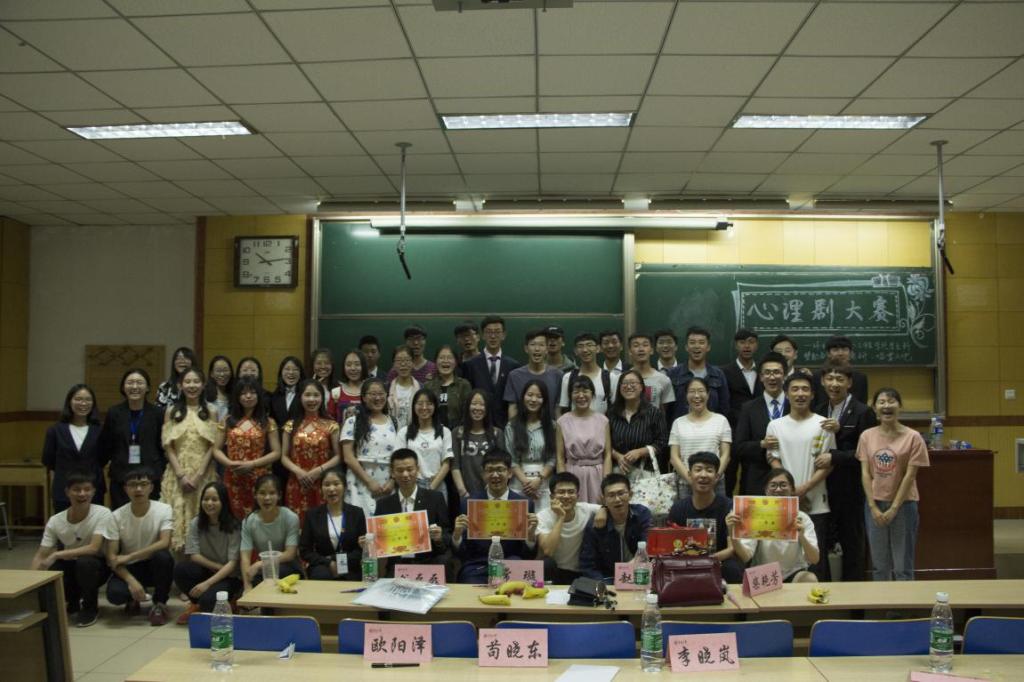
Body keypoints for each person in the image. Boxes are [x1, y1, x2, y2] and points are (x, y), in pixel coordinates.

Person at [765, 373, 835, 580]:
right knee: (783, 559)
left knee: (816, 562)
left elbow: (828, 464)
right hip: (781, 504)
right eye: (795, 389)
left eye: (805, 389)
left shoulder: (823, 424)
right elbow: (773, 460)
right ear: (786, 394)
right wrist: (791, 495)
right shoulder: (775, 425)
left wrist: (803, 489)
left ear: (813, 394)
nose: (800, 394)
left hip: (816, 502)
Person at [857, 387, 930, 581]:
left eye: (891, 401)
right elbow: (865, 473)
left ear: (900, 406)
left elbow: (910, 476)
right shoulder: (866, 436)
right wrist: (872, 506)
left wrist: (894, 508)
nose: (886, 406)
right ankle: (883, 600)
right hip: (874, 505)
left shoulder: (913, 437)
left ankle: (904, 601)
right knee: (879, 566)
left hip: (904, 505)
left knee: (902, 566)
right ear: (874, 408)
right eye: (881, 402)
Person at [815, 361, 877, 582]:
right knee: (824, 542)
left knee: (852, 543)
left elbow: (868, 452)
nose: (834, 384)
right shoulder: (818, 409)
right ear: (822, 382)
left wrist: (836, 452)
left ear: (849, 383)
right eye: (830, 379)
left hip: (851, 489)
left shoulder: (863, 411)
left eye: (840, 379)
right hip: (823, 487)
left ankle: (855, 592)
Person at [32, 471, 114, 627]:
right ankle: (72, 601)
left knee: (85, 563)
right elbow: (41, 555)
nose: (82, 494)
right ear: (67, 492)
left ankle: (90, 608)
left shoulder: (103, 513)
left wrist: (57, 554)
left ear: (93, 492)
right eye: (76, 489)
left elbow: (94, 548)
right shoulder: (55, 520)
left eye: (87, 489)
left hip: (97, 566)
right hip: (70, 564)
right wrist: (30, 582)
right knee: (53, 570)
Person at [451, 450, 537, 583]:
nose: (495, 475)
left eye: (500, 470)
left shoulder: (524, 504)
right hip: (479, 565)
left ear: (510, 473)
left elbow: (528, 555)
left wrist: (530, 536)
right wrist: (457, 535)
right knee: (467, 578)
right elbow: (462, 553)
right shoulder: (469, 504)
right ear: (483, 474)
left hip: (511, 563)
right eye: (490, 470)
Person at [106, 466, 174, 626]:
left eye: (143, 484)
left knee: (163, 557)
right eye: (132, 485)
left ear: (151, 487)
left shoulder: (164, 509)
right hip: (129, 567)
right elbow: (112, 557)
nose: (138, 489)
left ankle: (159, 603)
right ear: (125, 489)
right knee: (115, 594)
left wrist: (130, 556)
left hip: (152, 565)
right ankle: (132, 598)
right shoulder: (116, 516)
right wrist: (131, 581)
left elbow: (164, 542)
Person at [160, 368, 218, 553]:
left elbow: (213, 446)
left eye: (196, 381)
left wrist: (199, 475)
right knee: (176, 516)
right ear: (180, 385)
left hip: (204, 473)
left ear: (203, 385)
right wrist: (181, 475)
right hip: (177, 474)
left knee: (202, 515)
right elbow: (168, 445)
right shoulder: (171, 411)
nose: (192, 385)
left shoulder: (211, 411)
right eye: (187, 382)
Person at [728, 468, 819, 583]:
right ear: (766, 490)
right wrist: (732, 532)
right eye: (773, 485)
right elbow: (745, 556)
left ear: (792, 490)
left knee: (810, 579)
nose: (778, 489)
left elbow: (814, 559)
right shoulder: (755, 515)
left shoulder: (803, 518)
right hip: (764, 574)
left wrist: (802, 536)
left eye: (783, 485)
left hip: (793, 572)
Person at [374, 449, 453, 579]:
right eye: (400, 470)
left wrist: (439, 538)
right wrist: (370, 542)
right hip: (397, 567)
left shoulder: (435, 498)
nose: (405, 474)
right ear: (392, 473)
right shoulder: (383, 504)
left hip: (428, 564)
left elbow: (447, 535)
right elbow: (379, 542)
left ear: (418, 469)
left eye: (410, 469)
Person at [666, 452, 743, 583]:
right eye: (698, 469)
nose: (703, 475)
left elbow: (732, 549)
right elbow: (672, 547)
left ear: (717, 477)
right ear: (689, 475)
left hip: (719, 562)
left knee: (732, 569)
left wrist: (705, 561)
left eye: (709, 470)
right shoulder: (678, 508)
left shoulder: (729, 506)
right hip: (687, 563)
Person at [173, 481, 242, 624]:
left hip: (229, 576)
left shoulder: (233, 525)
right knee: (181, 569)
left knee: (208, 601)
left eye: (214, 499)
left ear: (223, 502)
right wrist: (216, 567)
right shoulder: (196, 522)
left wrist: (207, 584)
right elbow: (194, 555)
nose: (209, 503)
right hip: (209, 570)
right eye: (206, 499)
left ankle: (230, 600)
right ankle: (195, 604)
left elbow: (232, 563)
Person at [213, 377, 281, 519]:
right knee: (232, 515)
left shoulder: (268, 422)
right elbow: (216, 449)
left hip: (258, 476)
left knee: (258, 516)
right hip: (233, 475)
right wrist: (229, 463)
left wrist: (252, 464)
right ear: (237, 397)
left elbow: (276, 452)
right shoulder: (227, 420)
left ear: (258, 395)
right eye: (243, 393)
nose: (248, 396)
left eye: (252, 392)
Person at [99, 368, 165, 510]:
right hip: (121, 476)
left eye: (139, 383)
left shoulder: (158, 413)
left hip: (150, 476)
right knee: (120, 516)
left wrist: (159, 470)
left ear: (147, 388)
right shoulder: (114, 413)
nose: (135, 386)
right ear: (123, 387)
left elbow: (162, 445)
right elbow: (106, 445)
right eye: (130, 383)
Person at [282, 379, 341, 526]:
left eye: (316, 395)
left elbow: (338, 456)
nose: (312, 399)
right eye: (307, 395)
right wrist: (299, 472)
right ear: (300, 397)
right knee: (297, 524)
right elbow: (283, 456)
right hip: (297, 481)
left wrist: (318, 471)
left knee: (323, 524)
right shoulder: (290, 425)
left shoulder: (331, 425)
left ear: (322, 398)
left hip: (322, 482)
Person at [342, 378, 402, 516]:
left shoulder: (395, 422)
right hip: (359, 481)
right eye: (373, 394)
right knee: (360, 523)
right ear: (363, 397)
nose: (377, 398)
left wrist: (393, 481)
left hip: (388, 484)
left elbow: (399, 456)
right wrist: (369, 482)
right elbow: (348, 457)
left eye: (381, 394)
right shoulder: (352, 421)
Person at [733, 352, 790, 496]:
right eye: (767, 373)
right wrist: (761, 444)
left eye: (777, 372)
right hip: (757, 481)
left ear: (784, 375)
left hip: (791, 477)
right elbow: (739, 448)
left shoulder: (795, 405)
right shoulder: (748, 408)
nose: (772, 377)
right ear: (761, 377)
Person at [578, 473, 652, 582]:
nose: (617, 499)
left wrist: (625, 573)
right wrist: (603, 585)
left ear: (630, 494)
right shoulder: (595, 524)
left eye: (621, 493)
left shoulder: (642, 514)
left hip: (640, 575)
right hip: (608, 580)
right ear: (604, 499)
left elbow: (648, 547)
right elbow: (587, 565)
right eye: (611, 495)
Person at [43, 383, 104, 512]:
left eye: (88, 400)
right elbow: (48, 460)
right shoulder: (55, 430)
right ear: (69, 402)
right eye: (78, 399)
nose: (83, 403)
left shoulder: (100, 431)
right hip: (64, 490)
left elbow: (104, 458)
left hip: (93, 490)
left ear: (93, 403)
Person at [668, 376, 732, 497]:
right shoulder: (678, 423)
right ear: (686, 396)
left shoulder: (721, 420)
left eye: (701, 391)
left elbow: (726, 455)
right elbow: (674, 457)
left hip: (715, 483)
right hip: (686, 483)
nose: (697, 396)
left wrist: (714, 478)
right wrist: (691, 480)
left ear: (708, 394)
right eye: (692, 391)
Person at [299, 468, 367, 581]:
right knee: (321, 576)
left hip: (350, 565)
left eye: (336, 484)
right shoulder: (312, 515)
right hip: (322, 565)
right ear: (321, 489)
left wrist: (338, 561)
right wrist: (328, 562)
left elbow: (361, 548)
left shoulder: (357, 513)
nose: (331, 489)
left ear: (345, 487)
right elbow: (305, 550)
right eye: (326, 485)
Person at [240, 474, 301, 593]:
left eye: (272, 493)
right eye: (262, 493)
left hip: (288, 567)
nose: (267, 498)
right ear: (255, 495)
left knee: (264, 579)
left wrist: (260, 564)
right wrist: (247, 586)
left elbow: (290, 554)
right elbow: (245, 557)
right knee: (256, 580)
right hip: (265, 569)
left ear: (279, 495)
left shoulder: (290, 517)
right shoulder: (248, 521)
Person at [536, 472, 600, 584]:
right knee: (547, 563)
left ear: (577, 496)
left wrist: (604, 509)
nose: (566, 496)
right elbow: (548, 551)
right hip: (555, 571)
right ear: (552, 496)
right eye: (561, 492)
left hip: (582, 572)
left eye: (571, 492)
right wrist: (561, 517)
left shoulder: (586, 510)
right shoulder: (543, 516)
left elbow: (609, 508)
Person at [556, 376, 611, 505]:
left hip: (598, 475)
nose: (581, 395)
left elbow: (607, 454)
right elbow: (560, 457)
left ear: (592, 394)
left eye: (585, 391)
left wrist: (606, 484)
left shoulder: (603, 420)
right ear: (570, 395)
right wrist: (563, 484)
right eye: (576, 392)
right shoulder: (562, 421)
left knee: (599, 511)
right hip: (573, 474)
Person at [608, 369, 669, 484]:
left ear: (641, 387)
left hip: (645, 473)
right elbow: (604, 444)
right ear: (619, 388)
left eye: (633, 383)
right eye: (624, 383)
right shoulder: (611, 414)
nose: (628, 386)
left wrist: (640, 452)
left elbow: (662, 442)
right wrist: (618, 456)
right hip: (618, 472)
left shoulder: (654, 413)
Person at [720, 329, 761, 495]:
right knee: (729, 476)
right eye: (742, 342)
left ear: (757, 345)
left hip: (757, 434)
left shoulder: (764, 371)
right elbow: (723, 403)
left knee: (751, 477)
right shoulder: (724, 372)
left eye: (751, 342)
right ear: (736, 345)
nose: (747, 346)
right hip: (732, 432)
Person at [460, 315, 521, 427]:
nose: (493, 336)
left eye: (497, 332)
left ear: (504, 335)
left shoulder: (513, 366)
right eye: (489, 332)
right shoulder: (470, 365)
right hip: (478, 424)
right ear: (483, 335)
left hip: (505, 425)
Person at [505, 380, 556, 510]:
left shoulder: (552, 426)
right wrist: (526, 483)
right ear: (523, 397)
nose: (533, 400)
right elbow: (510, 459)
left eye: (539, 396)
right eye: (530, 395)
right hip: (518, 482)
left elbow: (553, 457)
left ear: (544, 400)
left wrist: (539, 480)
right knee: (518, 520)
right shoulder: (512, 426)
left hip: (544, 482)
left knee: (543, 519)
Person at [665, 326, 730, 424]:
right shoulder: (673, 374)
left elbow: (724, 407)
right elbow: (668, 410)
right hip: (682, 429)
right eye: (692, 342)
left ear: (708, 347)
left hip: (712, 429)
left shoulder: (718, 374)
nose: (696, 346)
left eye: (701, 342)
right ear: (686, 347)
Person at [398, 388, 454, 501]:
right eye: (420, 403)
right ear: (414, 406)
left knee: (438, 513)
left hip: (437, 484)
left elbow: (447, 462)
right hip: (411, 485)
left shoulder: (444, 431)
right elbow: (399, 461)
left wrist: (432, 487)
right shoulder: (404, 432)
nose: (424, 407)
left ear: (435, 407)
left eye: (429, 404)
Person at [451, 389, 504, 500]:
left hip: (492, 492)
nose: (477, 408)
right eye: (474, 404)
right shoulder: (457, 433)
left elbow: (502, 465)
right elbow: (455, 465)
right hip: (465, 493)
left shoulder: (496, 433)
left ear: (487, 408)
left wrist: (491, 489)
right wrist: (462, 491)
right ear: (467, 406)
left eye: (482, 405)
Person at [505, 329, 564, 420]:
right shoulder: (514, 376)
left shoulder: (558, 375)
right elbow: (513, 407)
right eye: (533, 344)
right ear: (526, 349)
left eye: (541, 345)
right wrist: (512, 427)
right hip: (522, 426)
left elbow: (558, 408)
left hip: (549, 426)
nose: (537, 349)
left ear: (547, 349)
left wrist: (558, 427)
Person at [559, 332, 614, 415]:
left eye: (589, 345)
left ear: (598, 348)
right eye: (580, 346)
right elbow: (564, 409)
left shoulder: (610, 378)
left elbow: (615, 408)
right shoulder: (568, 377)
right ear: (575, 351)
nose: (585, 350)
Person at [424, 345, 473, 429]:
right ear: (435, 362)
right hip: (433, 432)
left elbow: (468, 413)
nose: (445, 361)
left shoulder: (464, 385)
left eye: (449, 358)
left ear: (456, 362)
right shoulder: (428, 386)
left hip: (458, 432)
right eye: (441, 358)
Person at [813, 335, 869, 406]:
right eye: (835, 350)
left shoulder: (860, 377)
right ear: (828, 354)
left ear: (850, 353)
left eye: (844, 349)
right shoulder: (817, 376)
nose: (840, 353)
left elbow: (863, 404)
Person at [626, 333, 674, 413]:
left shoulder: (664, 379)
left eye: (645, 345)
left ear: (651, 350)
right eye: (636, 345)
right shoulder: (621, 379)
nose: (641, 349)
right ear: (630, 351)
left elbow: (663, 411)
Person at [387, 345, 421, 430]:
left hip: (415, 432)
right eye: (399, 361)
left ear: (413, 363)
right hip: (392, 432)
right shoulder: (386, 388)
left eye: (407, 360)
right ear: (393, 364)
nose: (403, 364)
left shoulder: (421, 388)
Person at [329, 349, 367, 424]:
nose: (353, 368)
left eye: (357, 364)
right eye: (349, 365)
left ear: (363, 366)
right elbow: (330, 422)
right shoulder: (335, 393)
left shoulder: (370, 391)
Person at [204, 355, 234, 424]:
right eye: (218, 371)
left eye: (225, 370)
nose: (222, 374)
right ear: (211, 374)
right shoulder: (204, 392)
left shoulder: (235, 392)